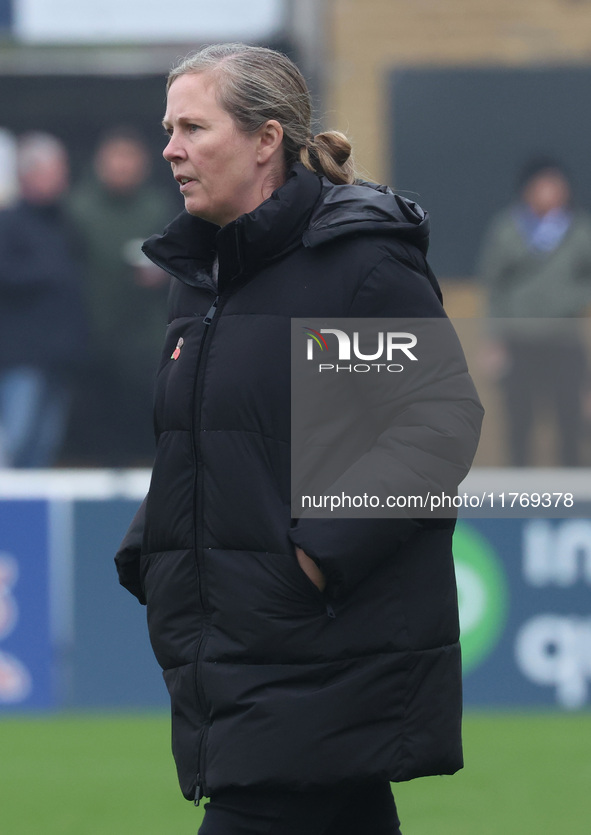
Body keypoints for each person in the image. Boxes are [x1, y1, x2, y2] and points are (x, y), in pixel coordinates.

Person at [115, 44, 483, 834]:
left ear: (264, 139)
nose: (170, 148)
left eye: (192, 126)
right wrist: (153, 542)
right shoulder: (203, 274)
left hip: (310, 650)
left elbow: (436, 420)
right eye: (167, 128)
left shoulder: (351, 263)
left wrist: (314, 554)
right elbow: (215, 435)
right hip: (243, 652)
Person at [67, 127, 177, 465]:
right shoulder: (76, 209)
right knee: (94, 417)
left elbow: (184, 262)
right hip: (90, 334)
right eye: (116, 158)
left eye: (130, 159)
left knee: (146, 411)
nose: (122, 167)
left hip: (147, 336)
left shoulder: (160, 207)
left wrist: (162, 276)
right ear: (100, 163)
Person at [478, 159, 591, 466]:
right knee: (519, 419)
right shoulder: (508, 229)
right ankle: (521, 499)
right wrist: (494, 340)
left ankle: (574, 499)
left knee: (570, 418)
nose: (550, 193)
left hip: (563, 339)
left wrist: (566, 298)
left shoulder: (579, 230)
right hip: (519, 339)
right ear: (527, 191)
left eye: (556, 186)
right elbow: (495, 288)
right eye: (542, 186)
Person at [0, 132, 87, 467]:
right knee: (16, 444)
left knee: (43, 449)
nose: (61, 177)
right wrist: (47, 273)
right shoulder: (8, 223)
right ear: (28, 174)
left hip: (58, 358)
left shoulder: (65, 222)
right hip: (20, 359)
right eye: (53, 169)